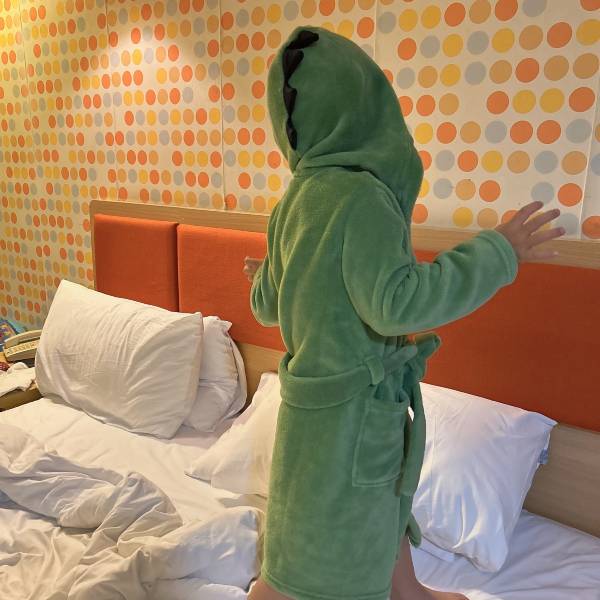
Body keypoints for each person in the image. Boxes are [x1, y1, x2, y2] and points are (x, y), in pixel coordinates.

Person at [242, 26, 565, 600]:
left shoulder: (293, 200)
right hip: (354, 412)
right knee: (351, 522)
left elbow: (267, 306)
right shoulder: (362, 197)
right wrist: (496, 253)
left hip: (308, 406)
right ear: (367, 105)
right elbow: (396, 305)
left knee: (326, 513)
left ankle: (405, 591)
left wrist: (268, 274)